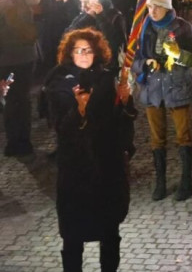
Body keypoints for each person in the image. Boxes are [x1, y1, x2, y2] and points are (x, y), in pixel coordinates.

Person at [45, 28, 135, 272]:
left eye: (89, 50)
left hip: (106, 168)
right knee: (73, 237)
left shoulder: (109, 78)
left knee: (109, 234)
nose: (84, 54)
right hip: (76, 171)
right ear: (70, 54)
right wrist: (80, 111)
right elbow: (61, 127)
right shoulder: (58, 82)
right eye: (79, 50)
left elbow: (122, 122)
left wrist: (125, 102)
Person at [130, 0, 192, 202]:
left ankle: (186, 182)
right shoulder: (144, 28)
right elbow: (134, 58)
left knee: (182, 135)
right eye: (150, 6)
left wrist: (178, 55)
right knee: (157, 138)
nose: (153, 11)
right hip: (152, 87)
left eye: (157, 6)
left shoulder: (184, 28)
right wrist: (145, 63)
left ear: (167, 7)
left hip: (176, 85)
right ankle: (161, 182)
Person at [0, 0, 40, 156]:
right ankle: (13, 140)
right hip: (4, 56)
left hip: (24, 53)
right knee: (8, 98)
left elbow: (36, 0)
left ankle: (24, 140)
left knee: (22, 98)